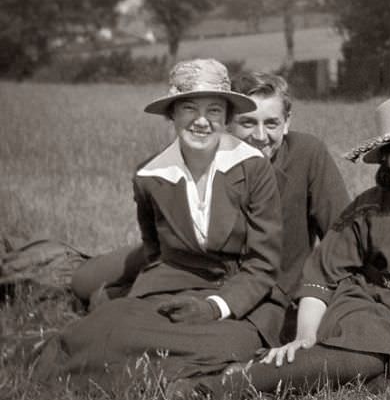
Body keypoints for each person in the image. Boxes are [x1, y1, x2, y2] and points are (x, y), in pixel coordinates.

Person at [178, 93, 390, 400]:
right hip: (371, 303)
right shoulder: (369, 206)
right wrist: (307, 336)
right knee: (366, 353)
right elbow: (321, 276)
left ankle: (275, 372)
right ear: (386, 161)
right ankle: (213, 389)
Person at [33, 59, 285, 386]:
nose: (201, 121)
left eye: (214, 111)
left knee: (229, 343)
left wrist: (214, 307)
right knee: (109, 328)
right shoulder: (149, 175)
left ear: (227, 117)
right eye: (189, 109)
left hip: (240, 296)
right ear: (172, 115)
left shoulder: (253, 168)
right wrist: (168, 293)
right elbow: (155, 250)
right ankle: (49, 352)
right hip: (171, 287)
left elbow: (264, 263)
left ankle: (180, 375)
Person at [70, 71, 350, 340]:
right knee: (82, 280)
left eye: (272, 123)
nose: (260, 136)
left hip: (258, 271)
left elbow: (342, 235)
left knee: (117, 303)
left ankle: (116, 300)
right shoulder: (220, 153)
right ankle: (103, 281)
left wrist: (313, 294)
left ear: (287, 122)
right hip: (187, 254)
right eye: (248, 123)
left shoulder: (307, 154)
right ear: (229, 123)